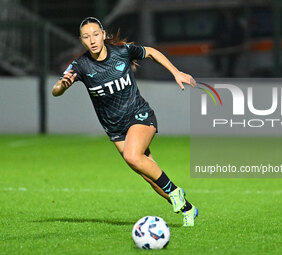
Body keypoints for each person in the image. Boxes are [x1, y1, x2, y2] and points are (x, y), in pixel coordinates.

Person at [52, 17, 198, 226]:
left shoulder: (122, 51)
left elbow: (152, 52)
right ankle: (189, 209)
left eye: (95, 34)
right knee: (150, 175)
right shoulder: (81, 65)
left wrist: (176, 72)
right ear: (81, 40)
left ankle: (176, 192)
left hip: (139, 116)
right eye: (86, 37)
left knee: (132, 156)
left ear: (103, 34)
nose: (92, 40)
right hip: (115, 129)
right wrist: (63, 86)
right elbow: (56, 89)